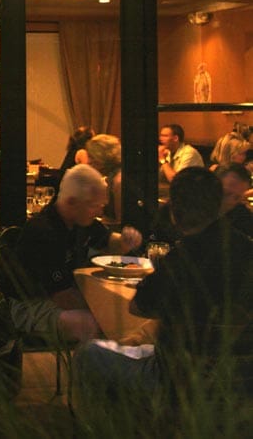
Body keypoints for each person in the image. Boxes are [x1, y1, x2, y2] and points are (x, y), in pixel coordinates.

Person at [75, 168, 253, 419]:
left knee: (89, 354)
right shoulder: (246, 248)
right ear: (218, 206)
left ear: (175, 212)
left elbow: (138, 307)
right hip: (242, 380)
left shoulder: (181, 259)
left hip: (177, 380)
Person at [12, 164, 142, 344]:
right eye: (94, 206)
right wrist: (107, 309)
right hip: (30, 305)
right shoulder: (43, 232)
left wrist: (125, 241)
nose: (99, 212)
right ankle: (92, 369)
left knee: (114, 319)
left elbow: (109, 242)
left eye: (101, 205)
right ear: (71, 202)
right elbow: (62, 297)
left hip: (59, 296)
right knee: (93, 324)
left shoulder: (81, 220)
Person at [76, 134, 122, 224]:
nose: (88, 161)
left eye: (91, 157)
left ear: (104, 157)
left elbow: (122, 224)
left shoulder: (118, 181)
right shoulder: (111, 176)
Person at [217, 164, 253, 239]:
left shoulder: (239, 213)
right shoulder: (193, 209)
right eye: (226, 194)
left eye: (237, 197)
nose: (230, 202)